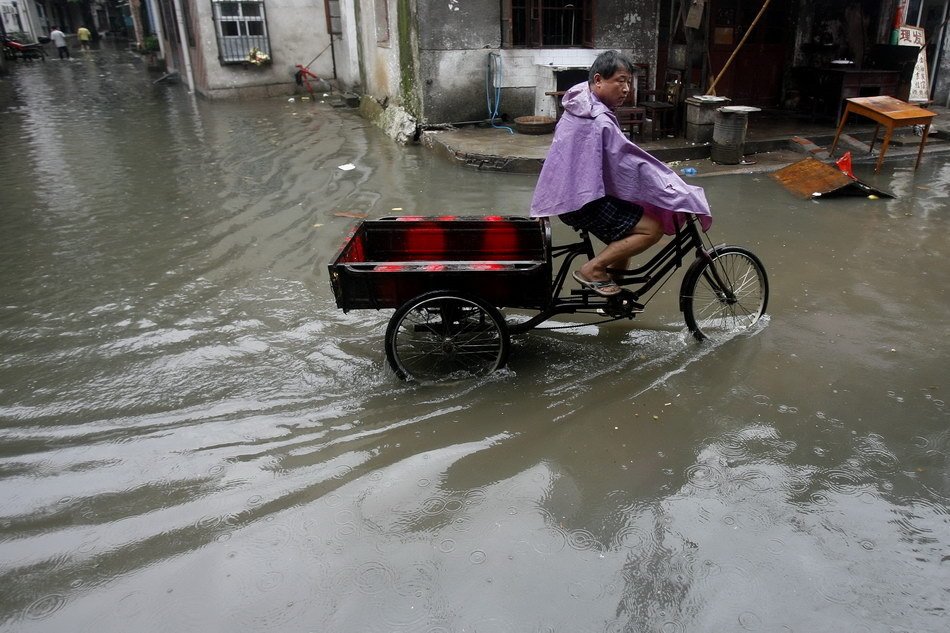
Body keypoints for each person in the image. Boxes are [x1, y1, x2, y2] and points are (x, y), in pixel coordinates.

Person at [530, 50, 712, 297]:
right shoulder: (598, 119)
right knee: (651, 229)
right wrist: (667, 181)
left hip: (570, 194)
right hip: (584, 200)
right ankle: (592, 269)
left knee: (627, 234)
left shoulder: (579, 102)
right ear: (598, 80)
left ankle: (611, 296)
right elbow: (627, 162)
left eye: (629, 82)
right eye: (620, 80)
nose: (626, 89)